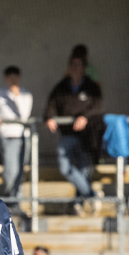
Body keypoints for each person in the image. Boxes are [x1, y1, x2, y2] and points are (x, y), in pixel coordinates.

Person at [45, 53, 104, 217]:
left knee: (85, 170)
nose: (76, 68)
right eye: (73, 65)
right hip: (68, 134)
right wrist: (49, 117)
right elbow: (51, 104)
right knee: (65, 167)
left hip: (87, 136)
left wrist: (84, 116)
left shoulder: (91, 87)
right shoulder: (62, 87)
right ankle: (92, 195)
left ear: (84, 68)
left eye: (79, 65)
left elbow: (98, 107)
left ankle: (78, 203)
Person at [0, 66, 33, 198]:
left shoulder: (26, 95)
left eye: (15, 77)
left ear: (19, 78)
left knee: (20, 170)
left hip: (23, 137)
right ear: (5, 79)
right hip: (7, 136)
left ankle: (16, 199)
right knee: (11, 170)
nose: (12, 80)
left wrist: (16, 96)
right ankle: (10, 198)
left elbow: (24, 116)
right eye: (9, 78)